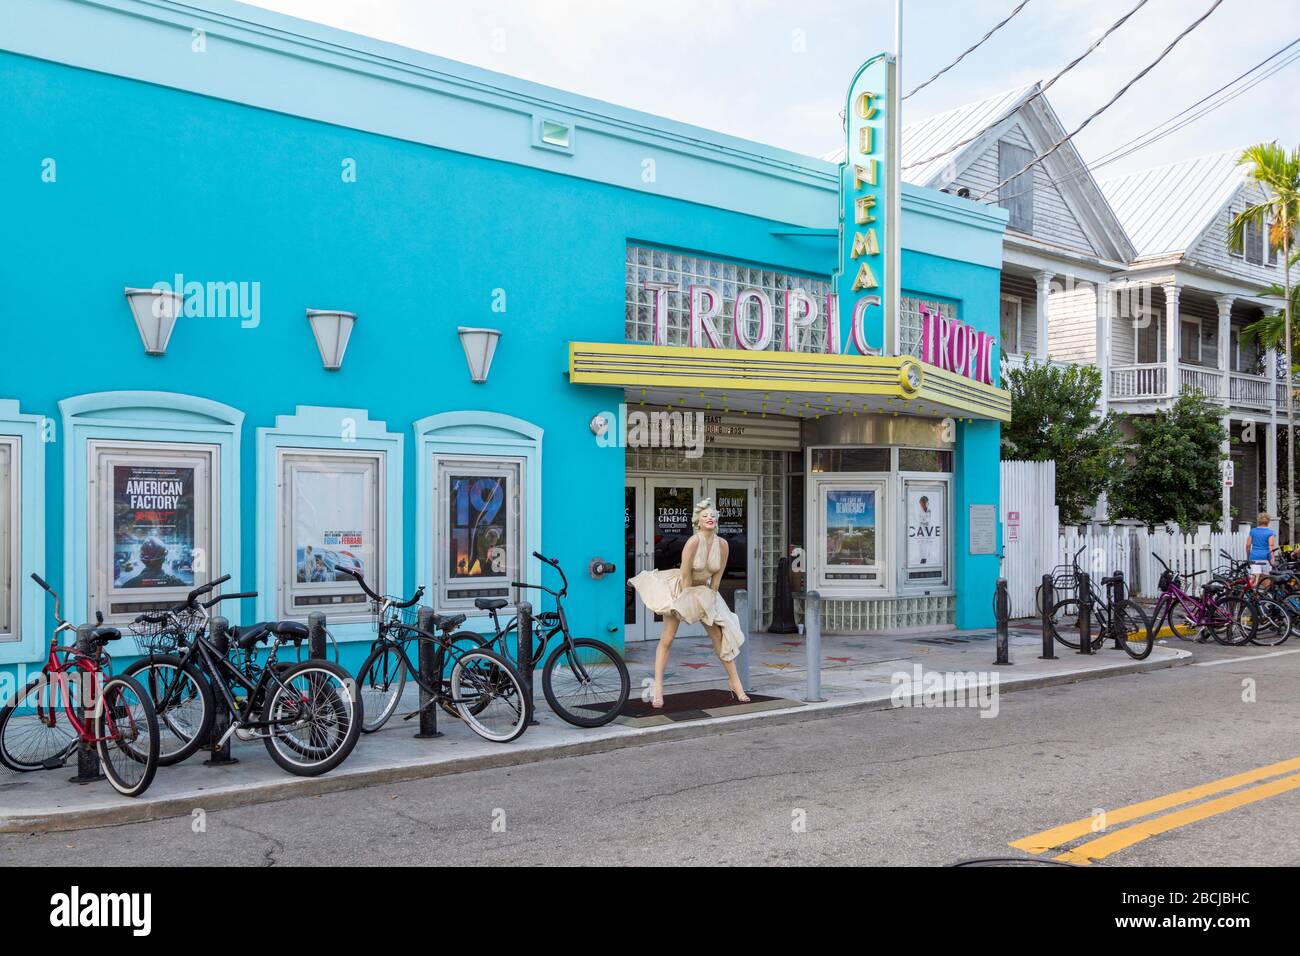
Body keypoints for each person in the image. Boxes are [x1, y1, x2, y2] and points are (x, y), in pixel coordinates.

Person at [628, 498, 748, 709]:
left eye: (712, 516)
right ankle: (658, 689)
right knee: (667, 638)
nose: (709, 519)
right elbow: (684, 576)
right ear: (698, 522)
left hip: (705, 591)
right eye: (705, 516)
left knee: (720, 635)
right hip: (682, 589)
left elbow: (718, 576)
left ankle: (735, 682)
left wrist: (711, 598)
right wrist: (685, 604)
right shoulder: (693, 542)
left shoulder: (723, 544)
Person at [1245, 512, 1277, 589]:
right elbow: (1271, 546)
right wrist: (1272, 558)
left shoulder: (1253, 531)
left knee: (1255, 577)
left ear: (1258, 521)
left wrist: (1248, 556)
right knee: (1266, 577)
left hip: (1255, 556)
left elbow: (1248, 545)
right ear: (1268, 521)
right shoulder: (1270, 532)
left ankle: (1254, 595)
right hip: (1266, 557)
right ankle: (1266, 596)